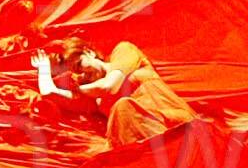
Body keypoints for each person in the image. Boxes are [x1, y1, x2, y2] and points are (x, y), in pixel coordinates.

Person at [33, 37, 200, 146]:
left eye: (79, 66)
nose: (80, 75)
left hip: (176, 126)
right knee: (122, 109)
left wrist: (78, 90)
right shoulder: (92, 96)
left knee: (123, 106)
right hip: (142, 145)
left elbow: (109, 86)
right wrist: (43, 69)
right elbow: (49, 93)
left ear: (89, 52)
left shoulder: (123, 51)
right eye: (74, 73)